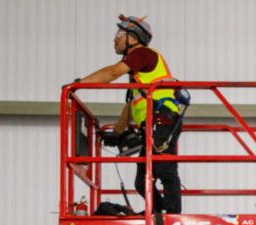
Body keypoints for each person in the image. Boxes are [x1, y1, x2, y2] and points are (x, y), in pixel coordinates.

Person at [77, 15, 182, 214]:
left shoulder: (143, 54)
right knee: (142, 180)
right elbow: (132, 105)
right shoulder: (138, 75)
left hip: (163, 119)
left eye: (120, 34)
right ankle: (158, 213)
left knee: (165, 169)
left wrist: (78, 84)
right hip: (153, 125)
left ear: (134, 38)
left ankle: (172, 216)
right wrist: (117, 132)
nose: (115, 39)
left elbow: (111, 73)